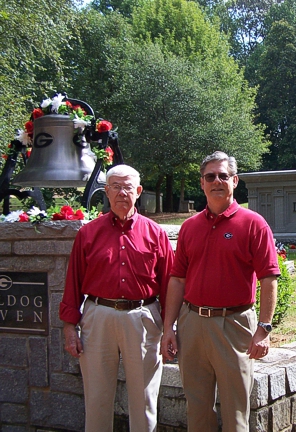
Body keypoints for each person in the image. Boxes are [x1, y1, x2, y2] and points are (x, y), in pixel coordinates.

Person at [161, 151, 279, 432]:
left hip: (234, 325)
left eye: (223, 176)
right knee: (197, 409)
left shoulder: (253, 224)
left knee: (235, 411)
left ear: (234, 181)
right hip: (192, 325)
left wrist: (263, 329)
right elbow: (177, 280)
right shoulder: (189, 227)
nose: (217, 181)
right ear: (202, 183)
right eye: (210, 176)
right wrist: (169, 327)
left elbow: (269, 279)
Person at [59, 164, 174, 432]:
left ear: (139, 192)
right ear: (107, 192)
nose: (122, 192)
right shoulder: (88, 233)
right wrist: (69, 327)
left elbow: (169, 283)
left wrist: (170, 328)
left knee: (144, 399)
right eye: (116, 187)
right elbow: (73, 282)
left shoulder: (155, 233)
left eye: (128, 187)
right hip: (97, 316)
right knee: (97, 398)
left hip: (143, 318)